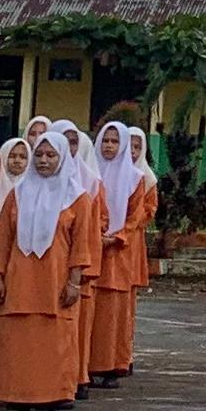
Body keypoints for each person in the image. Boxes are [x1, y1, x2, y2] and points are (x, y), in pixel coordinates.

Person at [0, 125, 94, 411]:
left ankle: (47, 398)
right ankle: (14, 397)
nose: (44, 160)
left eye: (51, 155)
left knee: (51, 342)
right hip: (18, 280)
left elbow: (81, 244)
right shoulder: (18, 194)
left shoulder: (77, 198)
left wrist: (74, 281)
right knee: (16, 339)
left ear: (63, 159)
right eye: (40, 155)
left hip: (54, 283)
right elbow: (2, 240)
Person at [85, 122, 154, 387]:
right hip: (93, 249)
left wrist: (117, 236)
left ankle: (111, 365)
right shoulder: (90, 175)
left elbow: (136, 215)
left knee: (112, 314)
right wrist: (95, 235)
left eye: (115, 141)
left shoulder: (136, 179)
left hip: (118, 252)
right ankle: (86, 366)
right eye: (106, 141)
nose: (109, 146)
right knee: (90, 312)